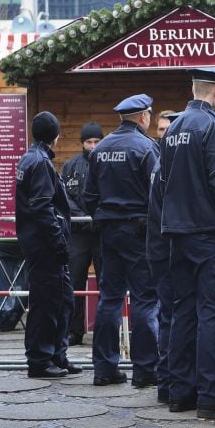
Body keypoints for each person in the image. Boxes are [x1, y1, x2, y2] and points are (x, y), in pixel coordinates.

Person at [160, 67, 215, 419]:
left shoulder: (174, 126)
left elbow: (163, 182)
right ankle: (211, 395)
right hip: (208, 234)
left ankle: (181, 392)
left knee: (183, 313)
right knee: (212, 314)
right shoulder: (214, 126)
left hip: (178, 234)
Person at [83, 94, 159, 388]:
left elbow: (89, 195)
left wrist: (105, 217)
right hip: (139, 232)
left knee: (110, 298)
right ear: (143, 116)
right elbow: (157, 194)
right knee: (144, 299)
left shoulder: (100, 148)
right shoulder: (146, 148)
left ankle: (104, 368)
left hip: (108, 232)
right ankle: (145, 370)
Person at [16, 112, 80, 378]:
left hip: (39, 244)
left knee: (63, 300)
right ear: (55, 136)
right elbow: (42, 207)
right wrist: (57, 242)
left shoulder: (29, 158)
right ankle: (41, 360)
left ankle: (56, 354)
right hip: (45, 246)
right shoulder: (40, 163)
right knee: (47, 303)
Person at [61, 121, 103, 346]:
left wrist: (97, 217)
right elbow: (65, 198)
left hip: (102, 231)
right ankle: (74, 331)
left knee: (106, 281)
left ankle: (106, 331)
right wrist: (84, 218)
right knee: (75, 281)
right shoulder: (70, 166)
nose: (93, 146)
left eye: (97, 141)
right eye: (89, 142)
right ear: (82, 143)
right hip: (78, 232)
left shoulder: (108, 163)